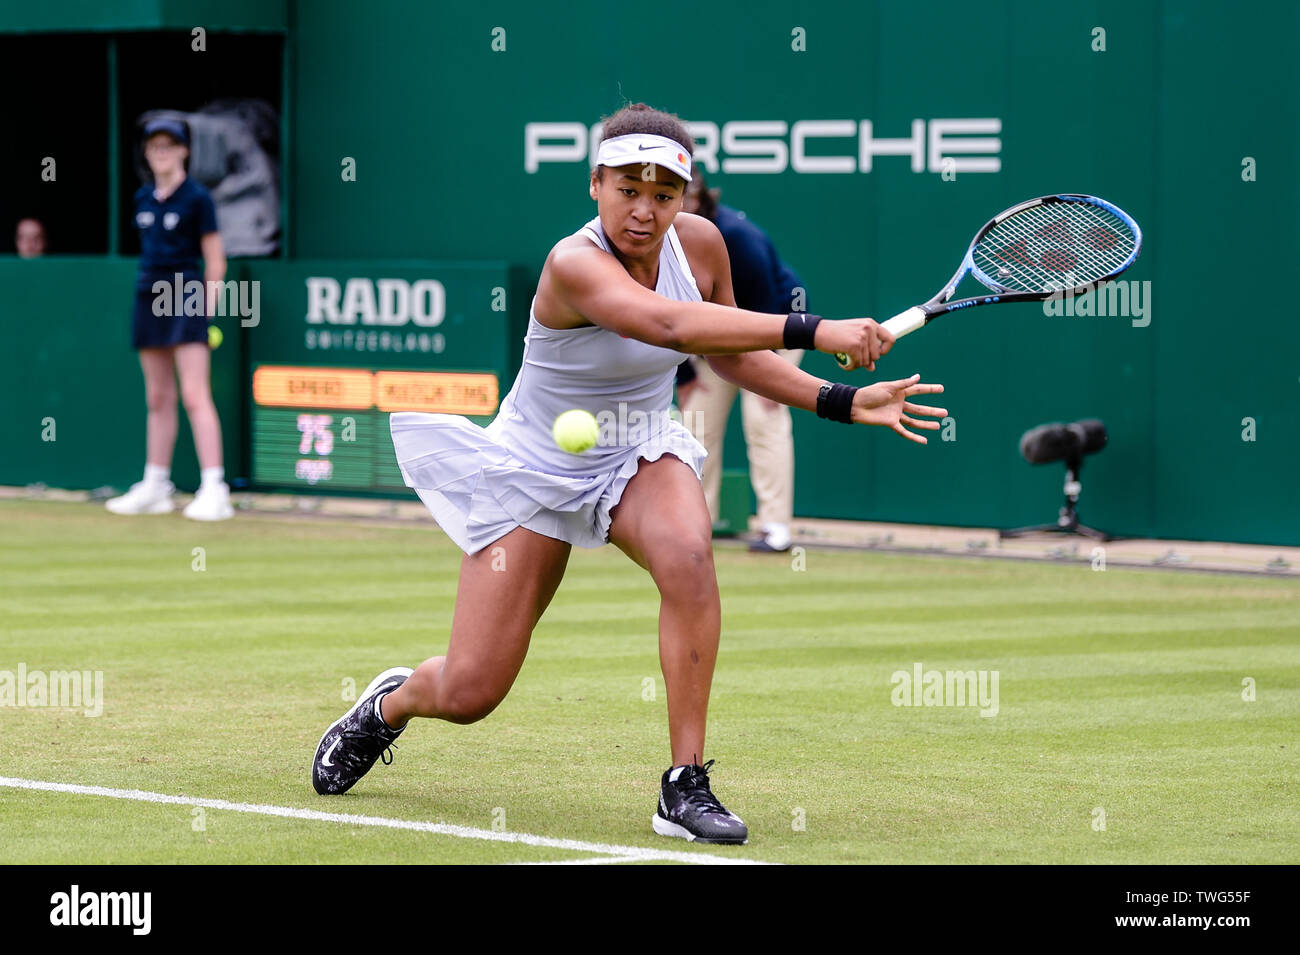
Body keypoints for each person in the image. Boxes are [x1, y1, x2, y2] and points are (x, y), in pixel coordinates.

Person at [310, 103, 947, 845]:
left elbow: (732, 358)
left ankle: (685, 783)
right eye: (627, 189)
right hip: (535, 465)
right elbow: (671, 326)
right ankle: (389, 706)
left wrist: (838, 399)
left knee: (688, 553)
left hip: (637, 447)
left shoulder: (703, 245)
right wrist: (816, 329)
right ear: (596, 184)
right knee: (471, 690)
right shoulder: (571, 264)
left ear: (686, 195)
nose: (644, 210)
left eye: (663, 194)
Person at [105, 118, 233, 521]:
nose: (161, 152)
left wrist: (206, 308)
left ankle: (215, 488)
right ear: (147, 153)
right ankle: (156, 484)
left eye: (169, 145)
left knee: (195, 394)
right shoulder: (143, 197)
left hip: (186, 296)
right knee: (157, 396)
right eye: (154, 146)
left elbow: (215, 261)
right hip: (148, 294)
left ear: (183, 151)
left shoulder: (197, 198)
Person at [675, 173, 806, 552]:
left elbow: (765, 311)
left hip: (776, 329)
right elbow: (665, 312)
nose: (675, 208)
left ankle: (775, 528)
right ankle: (696, 525)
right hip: (711, 340)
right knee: (695, 425)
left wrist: (768, 376)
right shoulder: (655, 241)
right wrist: (684, 374)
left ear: (700, 199)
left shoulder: (737, 237)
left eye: (682, 197)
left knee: (763, 419)